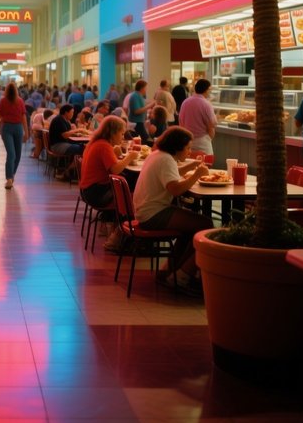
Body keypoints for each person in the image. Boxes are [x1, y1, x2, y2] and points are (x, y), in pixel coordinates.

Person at [132, 126, 212, 294]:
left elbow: (170, 174)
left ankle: (170, 272)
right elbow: (175, 189)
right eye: (188, 148)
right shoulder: (166, 159)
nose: (190, 152)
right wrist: (197, 174)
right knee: (206, 225)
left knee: (190, 229)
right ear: (177, 147)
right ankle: (183, 275)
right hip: (153, 214)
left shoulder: (158, 155)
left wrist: (191, 167)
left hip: (144, 211)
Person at [80, 115, 135, 252]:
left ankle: (109, 226)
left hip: (87, 190)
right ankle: (118, 237)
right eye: (121, 133)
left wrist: (116, 153)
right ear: (113, 132)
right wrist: (130, 157)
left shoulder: (97, 143)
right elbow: (115, 170)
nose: (122, 137)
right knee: (132, 197)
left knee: (128, 184)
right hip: (97, 193)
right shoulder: (104, 146)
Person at [0, 81, 29, 189]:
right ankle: (9, 178)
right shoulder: (4, 101)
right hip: (9, 128)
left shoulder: (19, 101)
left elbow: (23, 116)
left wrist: (26, 132)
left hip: (14, 128)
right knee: (12, 153)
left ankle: (12, 174)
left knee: (17, 154)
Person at [178, 78, 217, 155]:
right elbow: (212, 124)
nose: (210, 92)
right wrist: (209, 138)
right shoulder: (206, 104)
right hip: (202, 142)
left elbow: (180, 121)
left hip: (187, 141)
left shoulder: (185, 102)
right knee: (205, 161)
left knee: (189, 161)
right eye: (209, 90)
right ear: (206, 90)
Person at [127, 80, 155, 144]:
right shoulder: (135, 96)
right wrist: (149, 106)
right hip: (136, 123)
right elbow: (136, 111)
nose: (146, 90)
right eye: (146, 88)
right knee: (146, 141)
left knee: (144, 141)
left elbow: (142, 107)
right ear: (142, 88)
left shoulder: (139, 96)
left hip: (140, 123)